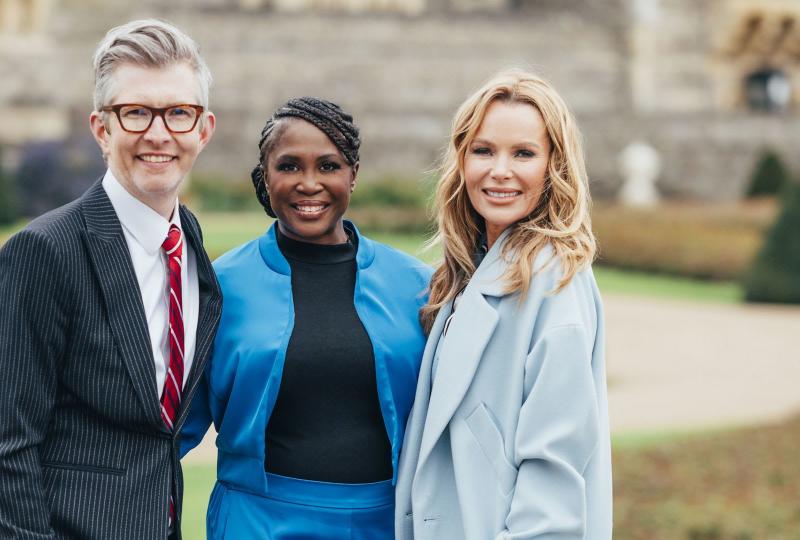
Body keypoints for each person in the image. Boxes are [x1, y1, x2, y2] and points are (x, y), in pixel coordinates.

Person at [0, 19, 221, 539]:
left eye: (178, 112)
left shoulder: (189, 241)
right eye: (135, 112)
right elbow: (6, 449)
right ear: (101, 128)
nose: (159, 133)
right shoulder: (44, 251)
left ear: (203, 129)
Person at [180, 97, 432, 539]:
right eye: (290, 166)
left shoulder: (418, 287)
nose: (309, 183)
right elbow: (172, 425)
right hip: (255, 522)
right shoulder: (219, 286)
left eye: (329, 166)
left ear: (353, 176)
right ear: (265, 177)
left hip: (384, 523)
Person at [395, 69, 612, 539]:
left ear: (555, 167)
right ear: (462, 159)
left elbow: (553, 478)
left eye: (524, 154)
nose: (500, 171)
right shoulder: (471, 272)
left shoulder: (555, 281)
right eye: (484, 150)